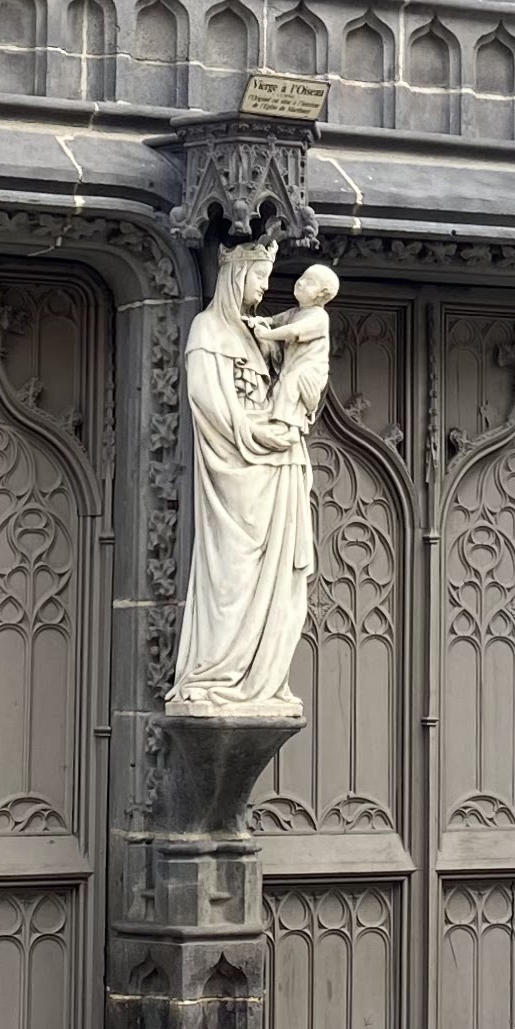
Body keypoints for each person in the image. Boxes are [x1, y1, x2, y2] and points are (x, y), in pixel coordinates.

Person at [166, 239, 326, 720]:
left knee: (280, 584)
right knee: (231, 578)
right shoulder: (208, 329)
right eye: (259, 276)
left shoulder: (258, 333)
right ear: (236, 275)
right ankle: (216, 676)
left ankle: (263, 680)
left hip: (277, 470)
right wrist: (256, 432)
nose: (265, 287)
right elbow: (210, 404)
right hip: (237, 473)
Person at [259, 257, 337, 436]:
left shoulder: (318, 317)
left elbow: (293, 331)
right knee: (280, 388)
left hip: (310, 370)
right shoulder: (297, 312)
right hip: (294, 365)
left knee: (291, 384)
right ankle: (282, 421)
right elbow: (275, 320)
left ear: (322, 294)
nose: (301, 283)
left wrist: (265, 335)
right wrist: (260, 321)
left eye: (309, 282)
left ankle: (289, 426)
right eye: (302, 277)